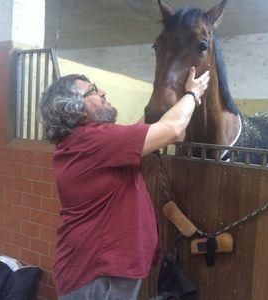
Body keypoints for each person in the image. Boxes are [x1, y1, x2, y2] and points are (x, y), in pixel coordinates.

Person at [39, 66, 210, 299]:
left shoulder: (84, 142)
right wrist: (192, 93)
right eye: (92, 90)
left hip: (99, 271)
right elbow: (170, 130)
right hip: (99, 276)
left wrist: (161, 96)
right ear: (77, 109)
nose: (103, 92)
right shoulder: (93, 140)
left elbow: (143, 131)